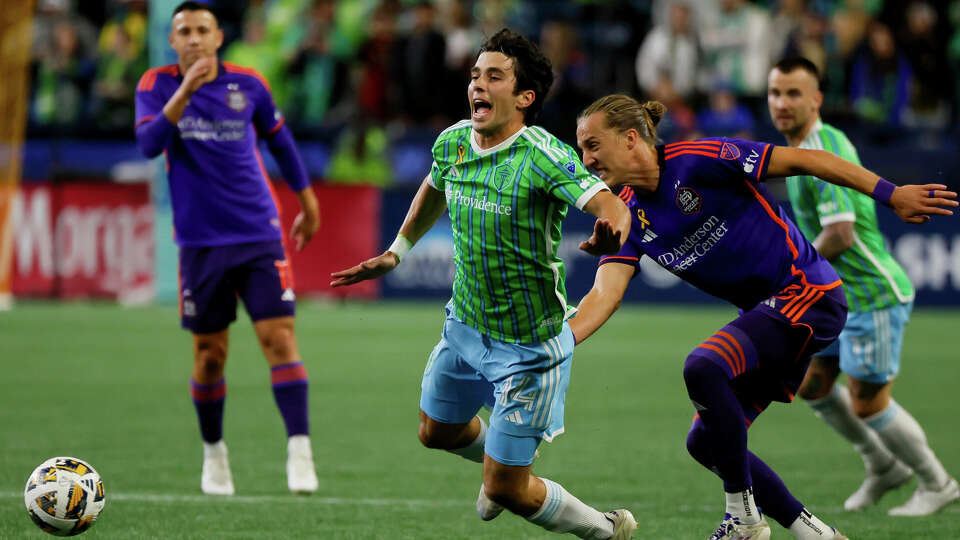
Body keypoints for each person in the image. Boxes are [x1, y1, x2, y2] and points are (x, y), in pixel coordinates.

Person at [569, 94, 956, 540]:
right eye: (582, 149)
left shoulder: (702, 159)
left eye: (593, 145)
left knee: (703, 365)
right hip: (771, 317)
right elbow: (605, 293)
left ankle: (744, 519)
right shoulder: (624, 215)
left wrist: (891, 194)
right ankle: (817, 534)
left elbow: (809, 159)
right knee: (706, 441)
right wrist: (562, 341)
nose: (587, 159)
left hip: (809, 292)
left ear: (631, 137)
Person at [330, 28, 637, 540]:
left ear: (524, 97)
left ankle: (606, 530)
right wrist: (396, 251)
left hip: (528, 347)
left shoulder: (542, 153)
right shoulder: (453, 141)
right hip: (466, 327)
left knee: (505, 490)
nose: (478, 85)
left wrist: (611, 230)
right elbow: (434, 185)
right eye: (475, 75)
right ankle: (501, 453)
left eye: (494, 76)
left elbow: (611, 203)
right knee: (436, 432)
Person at [134, 2, 321, 496]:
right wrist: (186, 93)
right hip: (200, 244)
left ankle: (299, 450)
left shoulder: (249, 84)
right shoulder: (155, 86)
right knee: (209, 355)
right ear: (172, 42)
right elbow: (149, 144)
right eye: (184, 32)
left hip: (259, 233)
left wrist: (307, 199)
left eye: (202, 30)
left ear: (219, 38)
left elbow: (281, 144)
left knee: (279, 340)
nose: (194, 39)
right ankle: (214, 455)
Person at [768, 56, 959, 515]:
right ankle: (883, 465)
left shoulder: (823, 144)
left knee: (869, 401)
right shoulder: (801, 147)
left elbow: (840, 232)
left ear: (816, 99)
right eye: (775, 93)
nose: (782, 103)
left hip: (870, 293)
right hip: (837, 297)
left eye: (794, 93)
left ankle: (938, 483)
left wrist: (788, 275)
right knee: (813, 384)